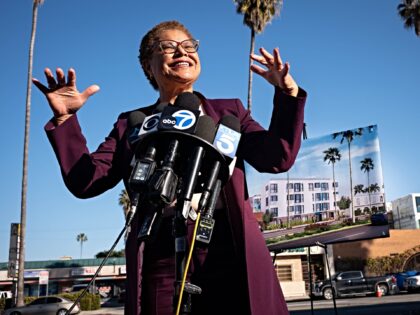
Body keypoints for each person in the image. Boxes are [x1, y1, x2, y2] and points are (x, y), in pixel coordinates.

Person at [33, 20, 306, 315]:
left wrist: (287, 94)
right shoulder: (130, 124)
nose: (182, 52)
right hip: (159, 254)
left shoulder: (230, 112)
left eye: (189, 46)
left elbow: (277, 157)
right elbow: (86, 182)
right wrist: (65, 121)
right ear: (147, 65)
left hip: (226, 248)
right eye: (168, 47)